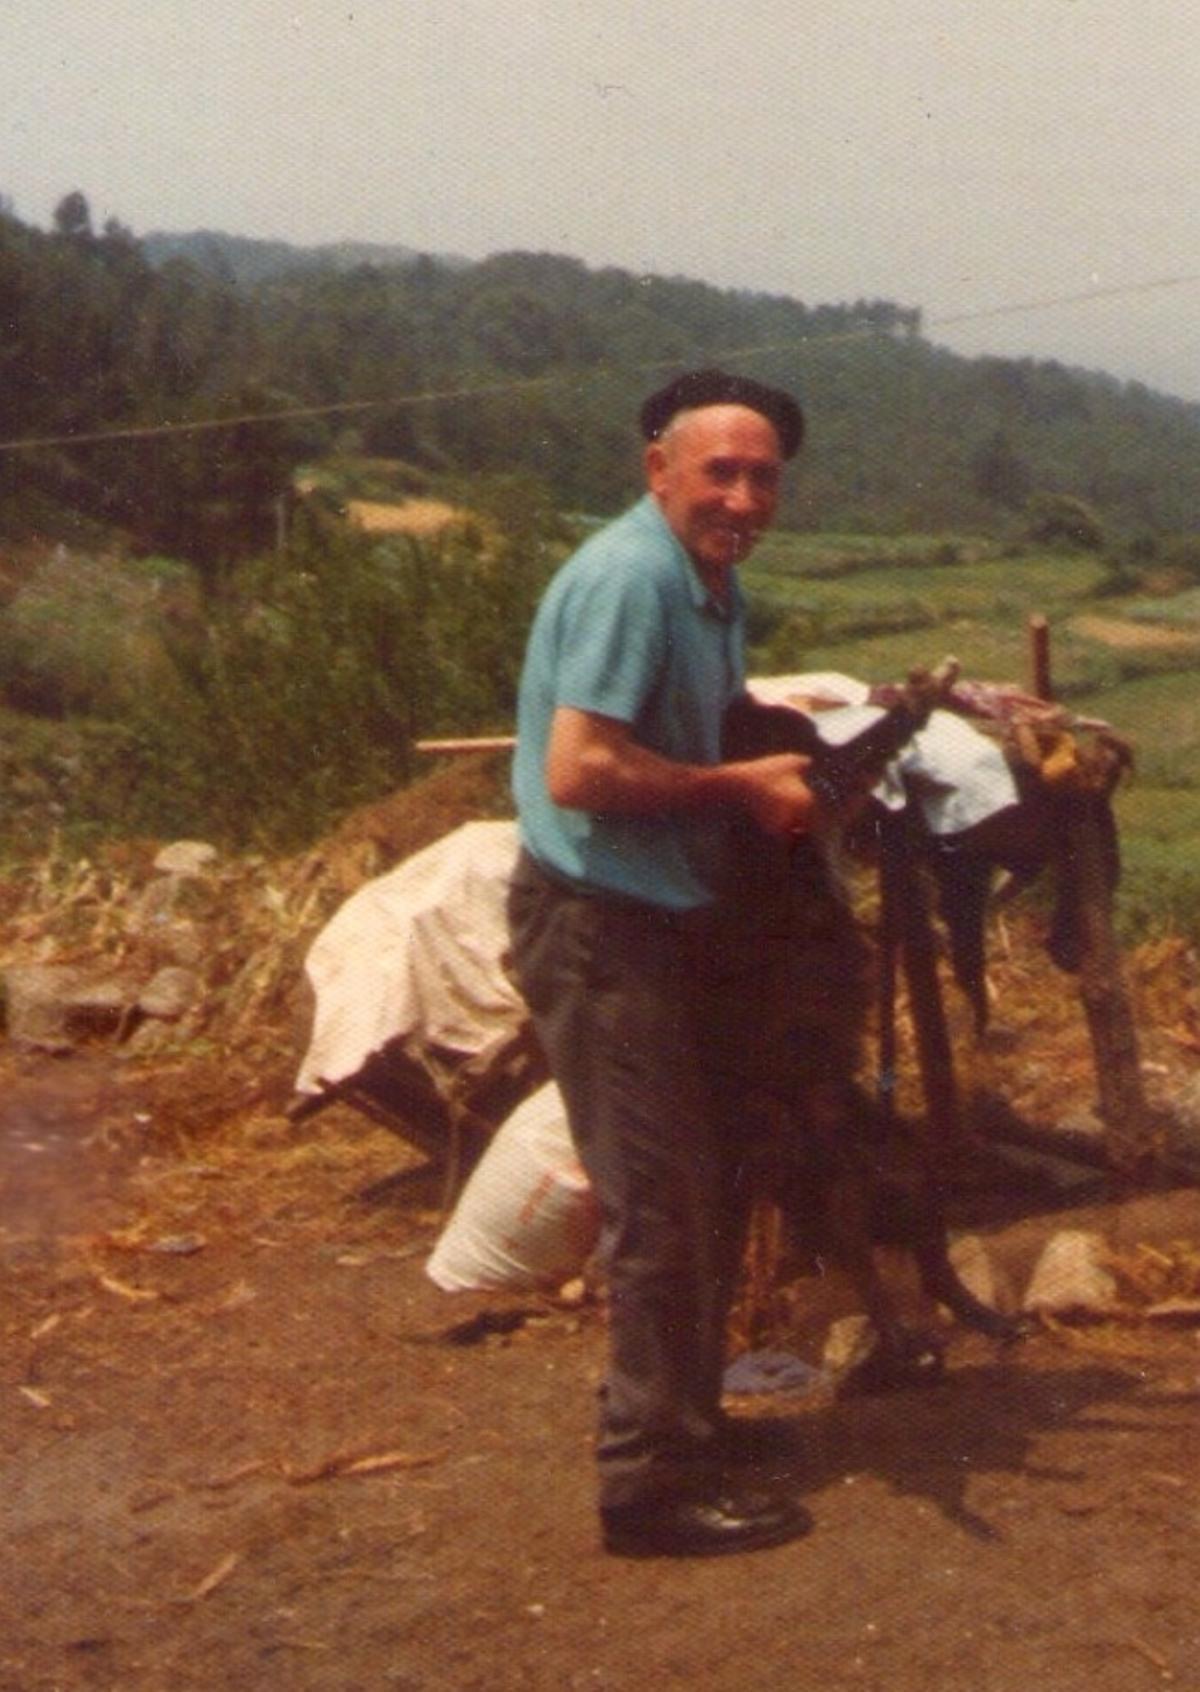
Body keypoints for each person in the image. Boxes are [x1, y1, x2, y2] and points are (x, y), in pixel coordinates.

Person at [506, 369, 819, 1557]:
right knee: (661, 1207)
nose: (740, 495)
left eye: (763, 478)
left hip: (662, 910)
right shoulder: (633, 576)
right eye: (717, 472)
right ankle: (646, 1488)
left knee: (703, 1183)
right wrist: (737, 789)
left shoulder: (709, 581)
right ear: (658, 470)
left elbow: (698, 719)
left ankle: (689, 1425)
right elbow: (578, 772)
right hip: (599, 923)